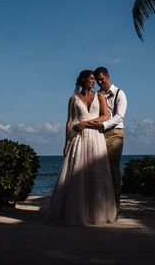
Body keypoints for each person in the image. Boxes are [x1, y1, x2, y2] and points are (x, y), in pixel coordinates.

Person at [43, 70, 117, 226]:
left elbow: (106, 116)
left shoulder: (100, 96)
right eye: (91, 79)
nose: (94, 82)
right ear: (83, 80)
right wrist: (66, 142)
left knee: (96, 174)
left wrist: (85, 123)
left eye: (94, 80)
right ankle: (76, 213)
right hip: (78, 140)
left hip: (96, 138)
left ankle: (96, 213)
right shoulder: (73, 99)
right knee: (77, 175)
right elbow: (69, 122)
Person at [88, 66, 127, 211]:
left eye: (102, 79)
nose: (99, 82)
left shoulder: (120, 93)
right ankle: (100, 205)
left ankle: (115, 206)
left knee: (113, 168)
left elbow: (119, 117)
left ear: (108, 76)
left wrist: (103, 124)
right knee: (99, 169)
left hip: (115, 133)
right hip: (99, 133)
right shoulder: (97, 95)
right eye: (97, 80)